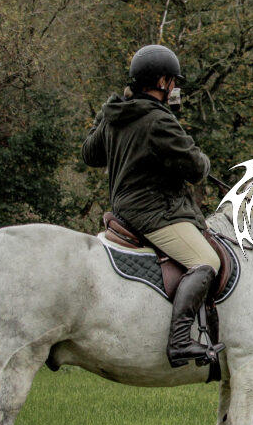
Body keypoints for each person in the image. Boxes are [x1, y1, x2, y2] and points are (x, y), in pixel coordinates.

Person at [81, 44, 225, 368]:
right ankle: (179, 342)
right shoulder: (159, 120)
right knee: (207, 260)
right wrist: (201, 156)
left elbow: (90, 153)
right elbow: (197, 169)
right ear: (162, 82)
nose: (174, 87)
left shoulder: (117, 115)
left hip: (124, 208)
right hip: (155, 212)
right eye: (172, 81)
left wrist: (106, 112)